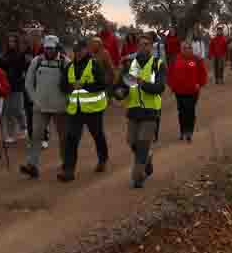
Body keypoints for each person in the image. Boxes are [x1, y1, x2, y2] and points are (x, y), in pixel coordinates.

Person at [112, 33, 165, 188]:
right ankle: (148, 157)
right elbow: (120, 85)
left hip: (151, 111)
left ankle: (137, 176)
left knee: (142, 144)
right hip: (133, 110)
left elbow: (160, 87)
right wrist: (120, 92)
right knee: (132, 142)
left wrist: (143, 84)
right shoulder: (130, 65)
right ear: (137, 47)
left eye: (146, 44)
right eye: (141, 44)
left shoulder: (157, 64)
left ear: (151, 47)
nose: (143, 47)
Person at [59, 39, 109, 181]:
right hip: (75, 110)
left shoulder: (94, 65)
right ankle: (68, 170)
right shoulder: (69, 67)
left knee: (97, 135)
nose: (78, 53)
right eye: (75, 51)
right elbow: (62, 86)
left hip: (94, 109)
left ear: (86, 50)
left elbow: (102, 84)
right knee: (71, 138)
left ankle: (103, 159)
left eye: (80, 50)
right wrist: (71, 86)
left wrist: (84, 86)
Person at [20, 35, 67, 179]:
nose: (49, 51)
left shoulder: (65, 62)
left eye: (51, 48)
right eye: (47, 48)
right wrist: (35, 99)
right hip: (40, 107)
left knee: (63, 137)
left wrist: (69, 101)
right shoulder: (37, 61)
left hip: (60, 107)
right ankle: (32, 165)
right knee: (36, 136)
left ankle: (66, 164)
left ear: (57, 47)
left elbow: (71, 83)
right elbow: (28, 83)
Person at [168, 40, 207, 141]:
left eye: (189, 48)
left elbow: (202, 73)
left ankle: (189, 131)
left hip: (192, 91)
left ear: (191, 49)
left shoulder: (196, 60)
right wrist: (172, 86)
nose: (187, 50)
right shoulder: (176, 59)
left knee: (190, 111)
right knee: (181, 112)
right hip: (179, 91)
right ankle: (182, 131)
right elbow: (170, 74)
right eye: (184, 48)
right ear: (181, 49)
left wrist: (200, 84)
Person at [0, 33, 29, 145]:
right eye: (9, 41)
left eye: (13, 41)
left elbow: (24, 67)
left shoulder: (21, 55)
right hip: (6, 86)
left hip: (17, 86)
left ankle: (23, 127)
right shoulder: (5, 55)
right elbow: (2, 67)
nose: (11, 43)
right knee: (7, 111)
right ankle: (11, 135)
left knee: (17, 109)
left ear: (17, 43)